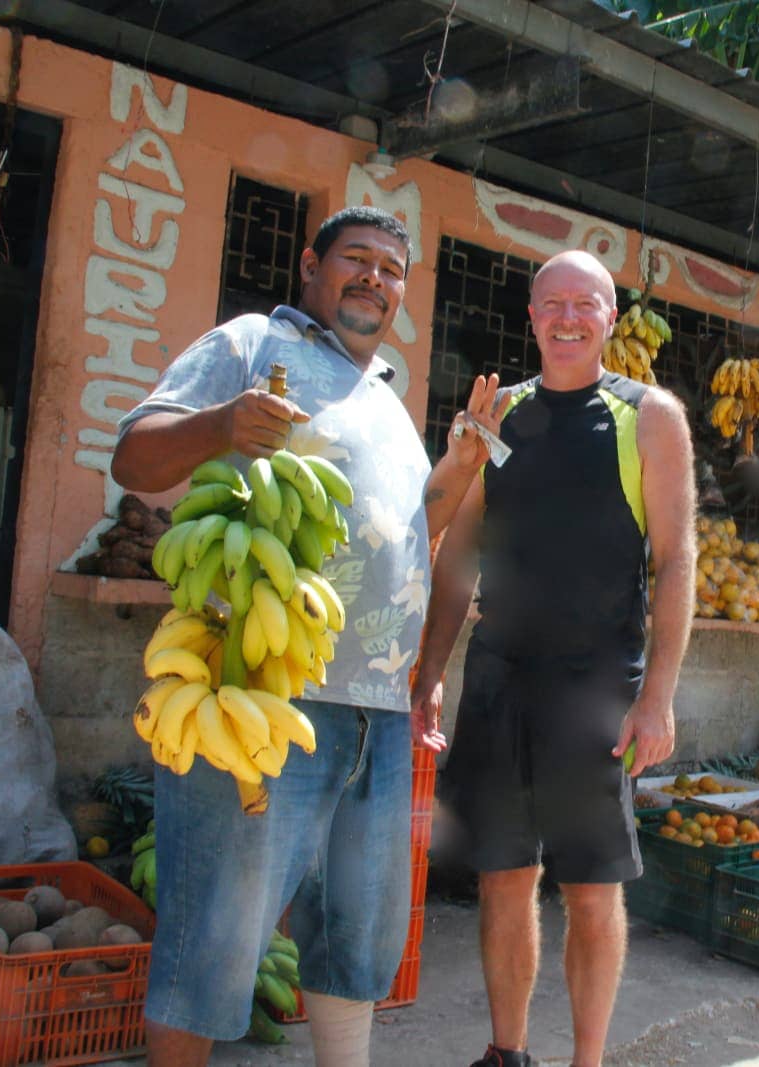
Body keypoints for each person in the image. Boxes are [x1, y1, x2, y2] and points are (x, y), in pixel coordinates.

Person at [112, 205, 505, 1067]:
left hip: (379, 713)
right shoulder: (255, 344)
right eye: (356, 259)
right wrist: (221, 425)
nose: (375, 278)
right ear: (311, 267)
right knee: (213, 941)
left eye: (392, 269)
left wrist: (462, 464)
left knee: (356, 940)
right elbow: (134, 457)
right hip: (262, 695)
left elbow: (411, 532)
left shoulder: (387, 402)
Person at [414, 249, 698, 1067]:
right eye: (553, 304)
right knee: (503, 875)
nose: (568, 318)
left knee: (590, 884)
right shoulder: (497, 413)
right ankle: (508, 1052)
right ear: (532, 316)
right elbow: (459, 555)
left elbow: (676, 559)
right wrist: (432, 670)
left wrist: (658, 698)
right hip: (499, 678)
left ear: (611, 319)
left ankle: (587, 1059)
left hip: (597, 686)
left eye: (587, 304)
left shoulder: (649, 416)